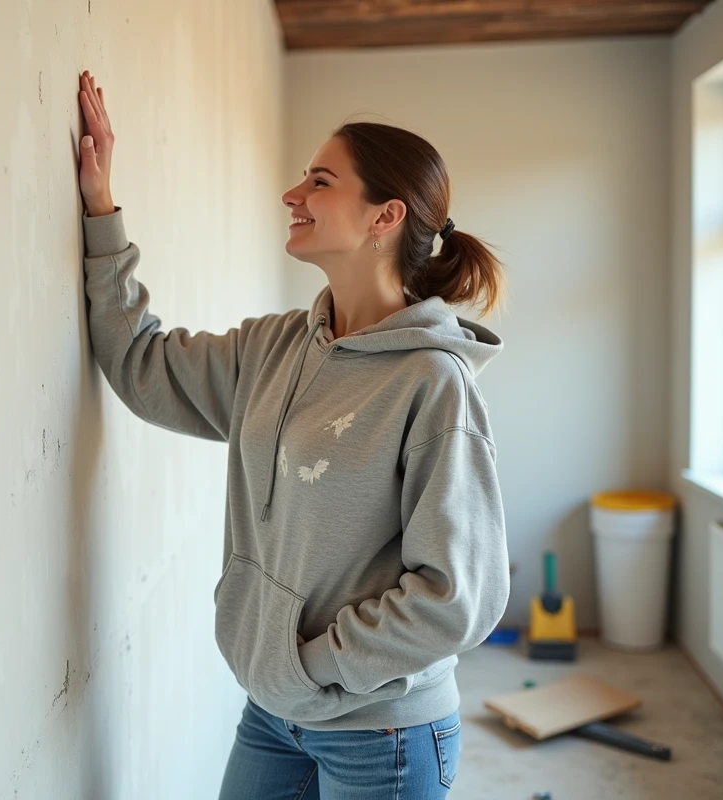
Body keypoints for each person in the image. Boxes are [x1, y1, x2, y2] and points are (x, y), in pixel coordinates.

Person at [76, 69, 509, 800]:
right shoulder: (273, 348)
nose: (293, 195)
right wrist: (99, 210)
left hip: (383, 735)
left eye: (320, 181)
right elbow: (141, 363)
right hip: (274, 714)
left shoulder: (433, 383)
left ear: (385, 216)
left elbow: (457, 598)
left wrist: (314, 663)